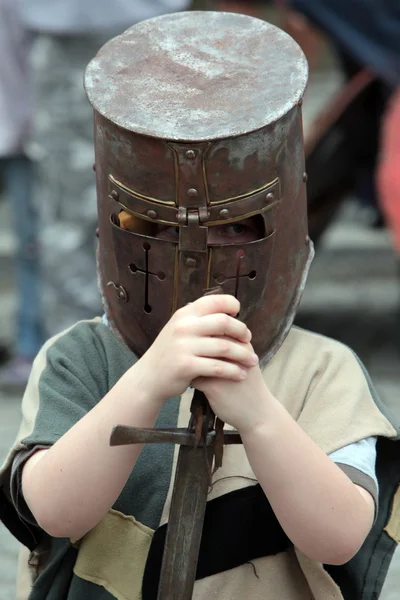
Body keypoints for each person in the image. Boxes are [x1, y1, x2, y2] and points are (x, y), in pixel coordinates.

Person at [0, 11, 399, 600]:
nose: (197, 253)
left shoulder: (322, 371)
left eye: (237, 227)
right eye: (152, 226)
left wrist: (259, 413)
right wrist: (147, 382)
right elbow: (52, 513)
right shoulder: (81, 358)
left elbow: (342, 538)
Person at [20, 0, 191, 339]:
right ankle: (74, 354)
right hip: (64, 38)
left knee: (165, 203)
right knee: (67, 218)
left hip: (154, 36)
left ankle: (164, 342)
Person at [0, 0, 44, 390]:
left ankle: (31, 344)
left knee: (34, 245)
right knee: (29, 245)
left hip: (28, 138)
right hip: (16, 136)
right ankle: (27, 342)